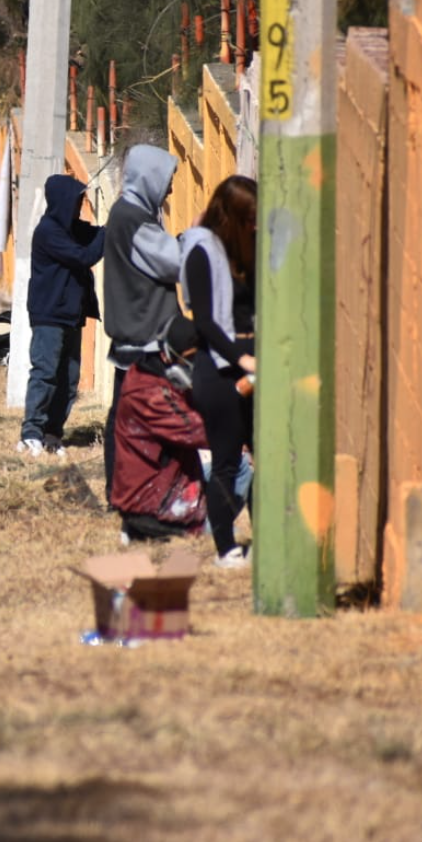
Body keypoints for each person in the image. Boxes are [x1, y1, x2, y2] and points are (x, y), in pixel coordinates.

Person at [179, 174, 259, 568]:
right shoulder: (202, 252)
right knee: (228, 461)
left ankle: (268, 540)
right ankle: (226, 547)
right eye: (248, 217)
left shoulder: (249, 249)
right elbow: (206, 321)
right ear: (229, 215)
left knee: (271, 457)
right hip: (220, 370)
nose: (255, 224)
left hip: (257, 364)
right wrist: (244, 360)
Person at [100, 143, 183, 495]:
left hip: (135, 337)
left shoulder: (130, 214)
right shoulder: (133, 219)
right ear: (150, 178)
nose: (171, 189)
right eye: (167, 180)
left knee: (125, 420)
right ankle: (139, 493)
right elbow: (174, 261)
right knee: (150, 423)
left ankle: (125, 490)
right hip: (145, 339)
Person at [19, 174, 105, 456]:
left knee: (68, 378)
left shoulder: (70, 229)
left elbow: (94, 234)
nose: (81, 205)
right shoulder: (49, 231)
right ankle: (31, 432)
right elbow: (85, 257)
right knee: (45, 373)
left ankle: (53, 433)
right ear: (63, 201)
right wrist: (107, 232)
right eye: (77, 200)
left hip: (71, 315)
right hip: (50, 315)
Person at [110, 316, 210, 543]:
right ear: (167, 354)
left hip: (165, 485)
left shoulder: (156, 378)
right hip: (150, 504)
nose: (193, 365)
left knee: (239, 466)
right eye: (189, 359)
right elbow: (198, 431)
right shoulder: (149, 394)